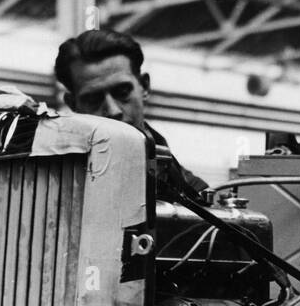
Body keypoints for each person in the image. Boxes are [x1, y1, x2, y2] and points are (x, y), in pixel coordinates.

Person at [53, 27, 208, 195]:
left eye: (122, 92)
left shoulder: (193, 192)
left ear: (144, 87)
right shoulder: (53, 185)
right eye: (93, 99)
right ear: (73, 104)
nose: (113, 111)